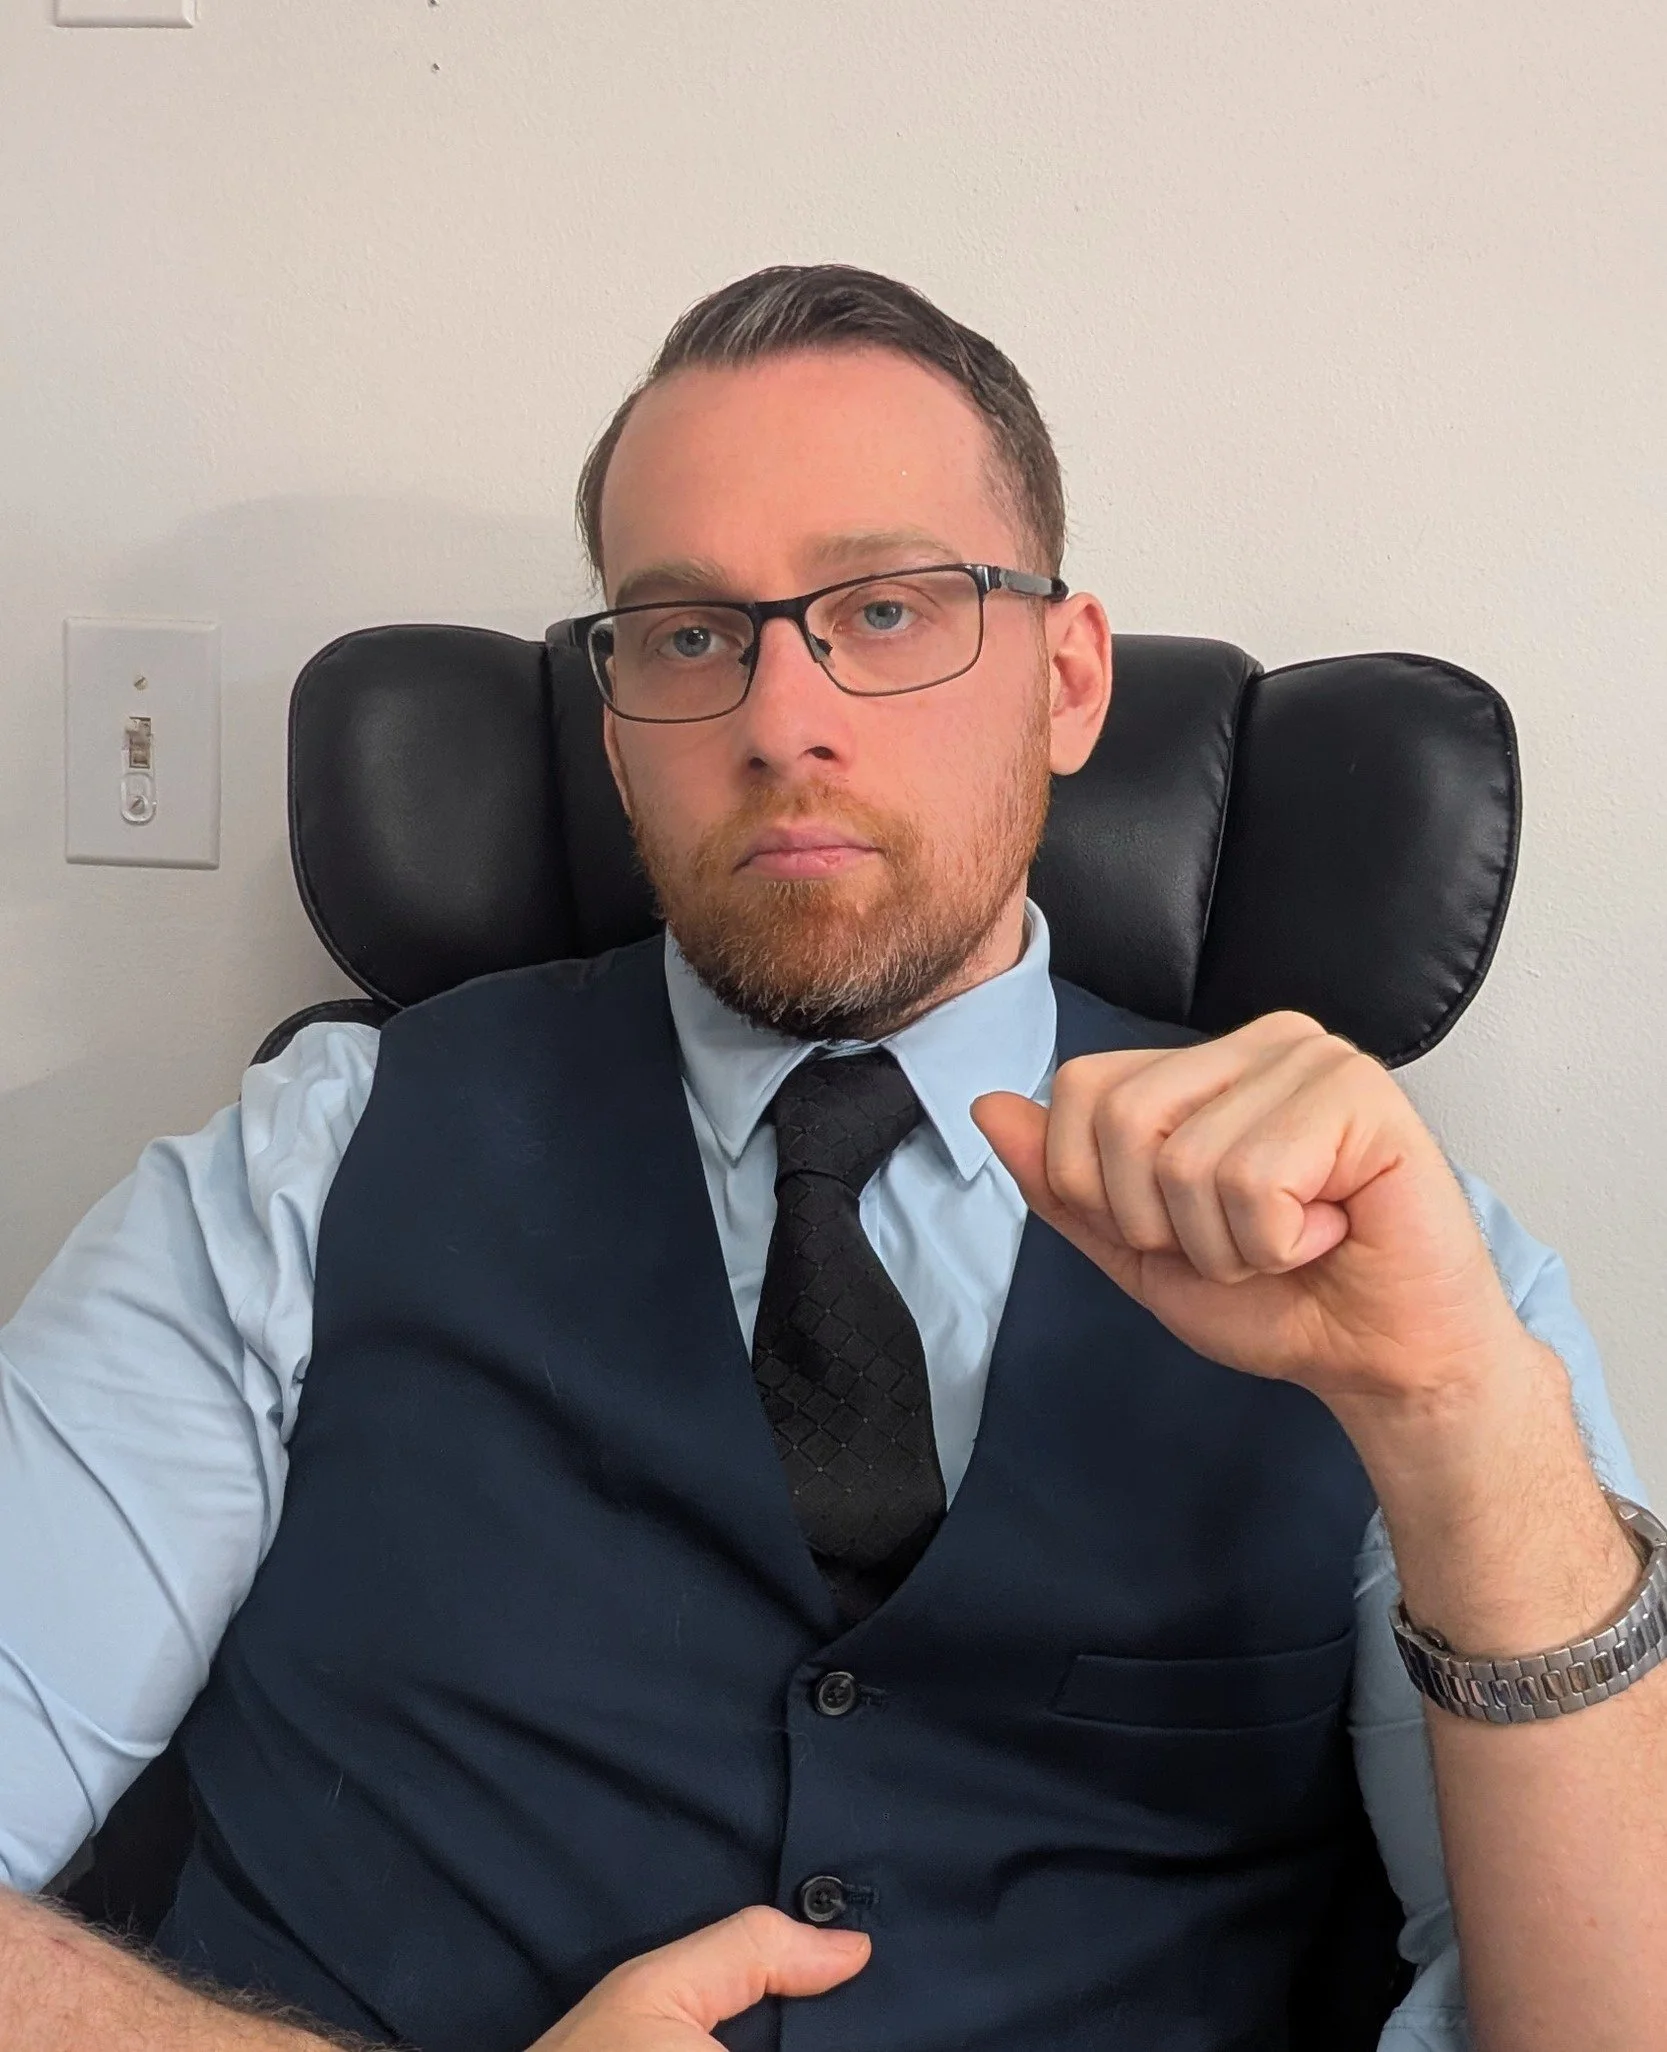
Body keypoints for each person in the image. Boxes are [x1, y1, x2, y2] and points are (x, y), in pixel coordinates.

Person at [1, 264, 1663, 2052]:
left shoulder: (1403, 1267)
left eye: (884, 609)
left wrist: (1455, 1415)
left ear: (1068, 680)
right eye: (686, 634)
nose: (780, 719)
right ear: (616, 729)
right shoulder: (304, 1175)